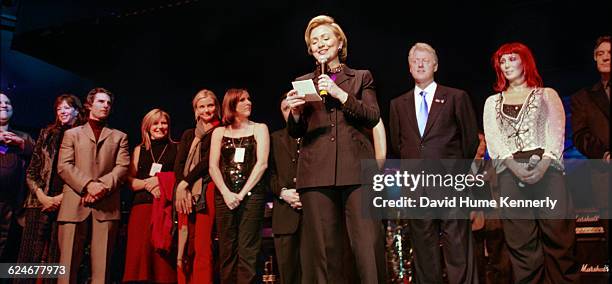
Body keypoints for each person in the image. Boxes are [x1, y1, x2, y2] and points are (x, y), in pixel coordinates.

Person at [285, 15, 386, 283]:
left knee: (367, 246)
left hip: (356, 171)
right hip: (316, 173)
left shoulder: (361, 77)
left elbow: (372, 116)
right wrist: (295, 113)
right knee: (325, 253)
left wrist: (340, 94)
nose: (320, 44)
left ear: (339, 41)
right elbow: (296, 131)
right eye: (314, 41)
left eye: (325, 38)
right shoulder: (303, 81)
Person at [483, 42, 578, 283]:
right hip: (510, 174)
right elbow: (495, 143)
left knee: (559, 240)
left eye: (511, 59)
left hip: (547, 171)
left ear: (525, 62)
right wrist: (515, 169)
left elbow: (555, 135)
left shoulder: (547, 95)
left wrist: (541, 168)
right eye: (502, 62)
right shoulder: (492, 102)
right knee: (522, 245)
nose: (506, 65)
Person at [389, 42, 479, 284]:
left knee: (458, 251)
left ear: (435, 66)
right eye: (415, 61)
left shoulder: (456, 97)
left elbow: (470, 141)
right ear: (409, 68)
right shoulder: (397, 105)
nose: (420, 64)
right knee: (424, 253)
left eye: (425, 60)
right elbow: (398, 146)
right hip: (416, 188)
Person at [57, 87, 130, 284]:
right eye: (101, 101)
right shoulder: (72, 134)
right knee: (67, 267)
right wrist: (89, 185)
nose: (105, 105)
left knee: (102, 268)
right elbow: (64, 166)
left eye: (108, 103)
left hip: (106, 205)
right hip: (75, 203)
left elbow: (122, 167)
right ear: (89, 105)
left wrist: (101, 187)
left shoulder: (119, 136)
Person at [15, 94, 84, 284]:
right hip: (38, 201)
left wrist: (61, 198)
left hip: (65, 204)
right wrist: (42, 196)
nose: (62, 111)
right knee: (27, 257)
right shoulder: (46, 133)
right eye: (59, 108)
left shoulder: (82, 137)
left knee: (55, 258)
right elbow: (32, 171)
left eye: (67, 108)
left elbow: (82, 173)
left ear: (77, 111)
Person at [209, 88, 269, 284]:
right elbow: (213, 166)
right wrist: (226, 193)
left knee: (248, 249)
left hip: (251, 196)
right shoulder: (219, 131)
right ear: (231, 105)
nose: (248, 102)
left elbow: (262, 164)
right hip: (224, 196)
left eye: (249, 99)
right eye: (242, 100)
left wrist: (241, 194)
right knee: (227, 248)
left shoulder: (260, 128)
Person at [123, 108, 178, 283]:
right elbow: (129, 181)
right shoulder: (139, 150)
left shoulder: (176, 148)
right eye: (155, 123)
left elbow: (180, 176)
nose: (160, 127)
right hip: (141, 209)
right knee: (139, 258)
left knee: (161, 262)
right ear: (147, 127)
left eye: (164, 123)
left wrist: (161, 181)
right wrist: (150, 183)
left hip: (165, 208)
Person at [173, 89, 221, 284]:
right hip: (184, 192)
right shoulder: (188, 134)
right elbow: (179, 163)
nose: (207, 110)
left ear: (216, 107)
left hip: (207, 189)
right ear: (196, 110)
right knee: (186, 243)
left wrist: (186, 182)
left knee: (202, 244)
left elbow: (208, 161)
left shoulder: (221, 130)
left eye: (210, 105)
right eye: (202, 106)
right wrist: (180, 188)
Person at [269, 92, 302, 284]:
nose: (290, 112)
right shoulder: (273, 139)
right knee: (288, 275)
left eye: (293, 107)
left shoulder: (313, 137)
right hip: (284, 218)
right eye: (285, 109)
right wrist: (283, 192)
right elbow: (268, 175)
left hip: (311, 218)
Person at [0, 92, 34, 261]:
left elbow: (40, 158)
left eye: (8, 102)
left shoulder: (23, 137)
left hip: (14, 208)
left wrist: (20, 144)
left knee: (8, 257)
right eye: (0, 102)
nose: (4, 105)